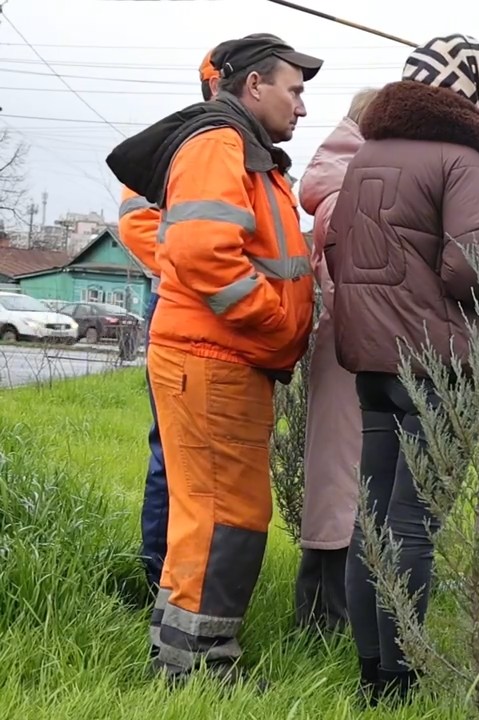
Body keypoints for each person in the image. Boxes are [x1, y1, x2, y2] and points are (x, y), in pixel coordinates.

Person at [105, 33, 323, 683]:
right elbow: (204, 254)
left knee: (213, 513)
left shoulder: (235, 145)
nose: (302, 106)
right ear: (254, 85)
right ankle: (198, 669)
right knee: (224, 516)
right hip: (215, 355)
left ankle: (184, 659)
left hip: (221, 356)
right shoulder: (218, 142)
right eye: (295, 89)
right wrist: (274, 318)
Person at [325, 34, 479, 705]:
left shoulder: (367, 153)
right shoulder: (462, 158)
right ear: (474, 94)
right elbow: (470, 263)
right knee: (412, 526)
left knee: (369, 521)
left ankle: (372, 675)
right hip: (438, 368)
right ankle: (402, 682)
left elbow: (337, 245)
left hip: (371, 363)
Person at [117, 46, 223, 598]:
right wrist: (200, 275)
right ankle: (157, 573)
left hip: (224, 320)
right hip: (182, 313)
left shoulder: (242, 149)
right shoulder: (176, 145)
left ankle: (200, 582)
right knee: (172, 450)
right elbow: (136, 224)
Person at [294, 87, 378, 634]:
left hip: (345, 347)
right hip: (354, 349)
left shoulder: (340, 171)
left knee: (337, 484)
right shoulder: (354, 184)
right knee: (344, 489)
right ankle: (330, 618)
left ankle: (322, 616)